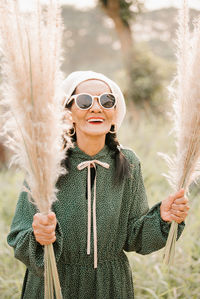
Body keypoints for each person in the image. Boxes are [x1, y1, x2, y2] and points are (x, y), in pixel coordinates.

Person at [7, 71, 189, 299]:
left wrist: (163, 217)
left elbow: (135, 237)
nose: (96, 108)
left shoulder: (128, 162)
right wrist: (38, 235)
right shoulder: (44, 163)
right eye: (84, 101)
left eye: (106, 101)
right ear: (68, 114)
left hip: (111, 285)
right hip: (54, 285)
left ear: (114, 114)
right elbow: (18, 234)